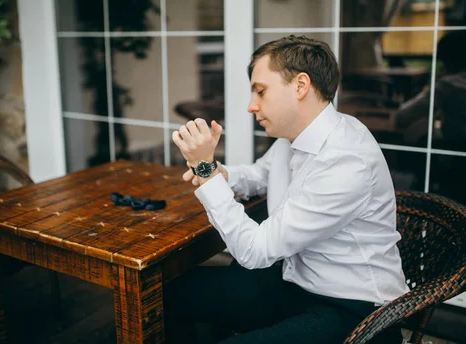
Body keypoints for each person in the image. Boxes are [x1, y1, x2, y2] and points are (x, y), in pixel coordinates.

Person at [168, 35, 408, 343]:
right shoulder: (294, 136)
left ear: (300, 86)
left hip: (354, 309)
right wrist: (213, 170)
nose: (251, 106)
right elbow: (258, 175)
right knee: (177, 291)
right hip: (295, 281)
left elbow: (254, 251)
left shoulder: (346, 159)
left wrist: (205, 172)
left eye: (261, 92)